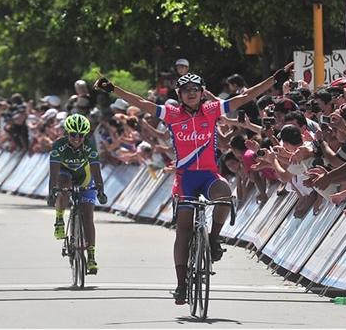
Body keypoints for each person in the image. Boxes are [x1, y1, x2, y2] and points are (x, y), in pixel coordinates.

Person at [94, 61, 293, 304]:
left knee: (224, 195)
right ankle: (180, 284)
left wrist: (275, 79)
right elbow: (142, 103)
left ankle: (213, 238)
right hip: (185, 179)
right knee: (184, 230)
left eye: (195, 89)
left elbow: (247, 96)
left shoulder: (212, 110)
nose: (191, 92)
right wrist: (113, 89)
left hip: (208, 175)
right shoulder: (172, 114)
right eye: (186, 89)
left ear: (202, 92)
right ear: (179, 94)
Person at [47, 114, 108, 274]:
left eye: (81, 135)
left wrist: (101, 190)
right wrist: (51, 192)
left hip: (85, 178)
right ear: (67, 133)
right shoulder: (58, 146)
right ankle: (59, 219)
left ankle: (92, 257)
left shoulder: (89, 147)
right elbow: (53, 172)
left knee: (88, 216)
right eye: (73, 134)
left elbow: (96, 171)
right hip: (64, 174)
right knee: (63, 186)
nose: (77, 138)